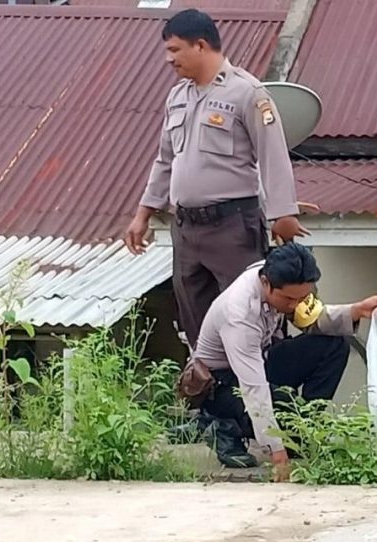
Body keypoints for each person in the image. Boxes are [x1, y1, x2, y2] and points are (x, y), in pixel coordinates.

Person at [125, 8, 309, 349]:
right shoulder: (178, 96)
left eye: (175, 50)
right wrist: (143, 214)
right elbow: (165, 159)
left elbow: (273, 154)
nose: (169, 59)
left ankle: (260, 394)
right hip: (187, 229)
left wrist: (283, 214)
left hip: (232, 226)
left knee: (249, 316)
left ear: (200, 45)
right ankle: (211, 397)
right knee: (197, 324)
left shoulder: (246, 92)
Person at [193, 243, 377, 480]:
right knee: (284, 409)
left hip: (262, 358)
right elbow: (253, 388)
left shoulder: (286, 285)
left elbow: (314, 318)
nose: (295, 306)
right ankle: (221, 425)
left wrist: (356, 310)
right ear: (266, 283)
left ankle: (308, 428)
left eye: (302, 298)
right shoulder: (240, 313)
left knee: (335, 344)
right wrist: (277, 451)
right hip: (221, 383)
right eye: (289, 299)